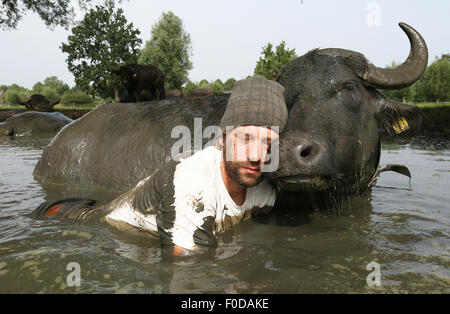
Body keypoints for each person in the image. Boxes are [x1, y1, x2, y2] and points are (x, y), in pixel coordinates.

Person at [33, 76, 288, 256]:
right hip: (111, 227)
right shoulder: (194, 182)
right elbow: (189, 273)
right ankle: (51, 208)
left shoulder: (265, 186)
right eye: (245, 138)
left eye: (268, 142)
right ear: (222, 138)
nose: (257, 155)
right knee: (82, 218)